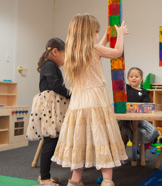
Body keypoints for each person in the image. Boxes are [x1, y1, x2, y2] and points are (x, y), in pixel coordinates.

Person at [51, 13, 129, 186]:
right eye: (95, 31)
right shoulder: (93, 49)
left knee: (80, 140)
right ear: (88, 33)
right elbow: (117, 53)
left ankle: (74, 180)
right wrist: (120, 34)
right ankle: (107, 180)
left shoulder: (72, 53)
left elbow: (95, 53)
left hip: (78, 103)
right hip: (96, 101)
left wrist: (104, 39)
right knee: (103, 138)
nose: (96, 34)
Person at [26, 38, 71, 186]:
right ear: (55, 52)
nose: (64, 60)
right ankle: (44, 179)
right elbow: (55, 85)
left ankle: (45, 176)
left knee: (52, 140)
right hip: (50, 109)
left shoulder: (51, 65)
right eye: (64, 56)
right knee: (50, 141)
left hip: (53, 108)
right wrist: (71, 93)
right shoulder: (49, 65)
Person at [118, 67, 159, 164]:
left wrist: (147, 109)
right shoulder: (125, 89)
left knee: (152, 131)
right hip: (125, 119)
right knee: (123, 136)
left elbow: (147, 105)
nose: (134, 78)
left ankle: (141, 152)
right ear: (127, 78)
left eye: (136, 76)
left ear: (141, 79)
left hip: (139, 120)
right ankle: (122, 155)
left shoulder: (144, 92)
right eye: (131, 76)